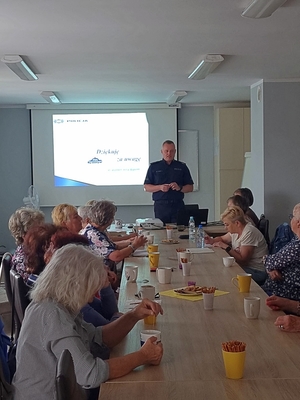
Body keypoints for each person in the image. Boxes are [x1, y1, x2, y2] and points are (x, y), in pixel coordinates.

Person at [12, 244, 163, 400]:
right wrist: (142, 356)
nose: (93, 295)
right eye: (91, 287)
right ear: (76, 284)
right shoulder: (52, 315)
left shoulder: (59, 306)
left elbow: (99, 338)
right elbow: (90, 374)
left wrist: (134, 315)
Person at [205, 206, 268, 285]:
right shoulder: (235, 231)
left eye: (227, 225)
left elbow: (243, 260)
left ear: (237, 223)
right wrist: (212, 240)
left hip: (256, 271)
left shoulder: (249, 232)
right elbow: (222, 238)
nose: (225, 228)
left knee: (224, 273)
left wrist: (226, 247)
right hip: (244, 267)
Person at [81, 200, 147, 273]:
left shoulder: (97, 230)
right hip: (99, 275)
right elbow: (116, 256)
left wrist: (131, 242)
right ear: (109, 219)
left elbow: (113, 247)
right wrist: (134, 246)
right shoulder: (93, 234)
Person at [144, 140, 194, 224]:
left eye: (171, 151)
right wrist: (160, 187)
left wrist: (179, 188)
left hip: (177, 205)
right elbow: (146, 187)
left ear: (175, 152)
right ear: (162, 152)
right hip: (161, 206)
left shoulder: (182, 166)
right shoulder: (154, 167)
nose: (169, 153)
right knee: (161, 231)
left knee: (179, 230)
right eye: (166, 151)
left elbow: (190, 187)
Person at [262, 203, 300, 300]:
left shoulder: (297, 246)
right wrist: (271, 268)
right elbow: (274, 261)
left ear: (298, 223)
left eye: (292, 217)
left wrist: (269, 265)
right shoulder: (296, 240)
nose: (290, 219)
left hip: (283, 294)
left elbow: (268, 261)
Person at [8, 207, 45, 282]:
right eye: (38, 230)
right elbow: (35, 285)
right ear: (24, 235)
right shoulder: (23, 259)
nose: (43, 233)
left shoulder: (30, 251)